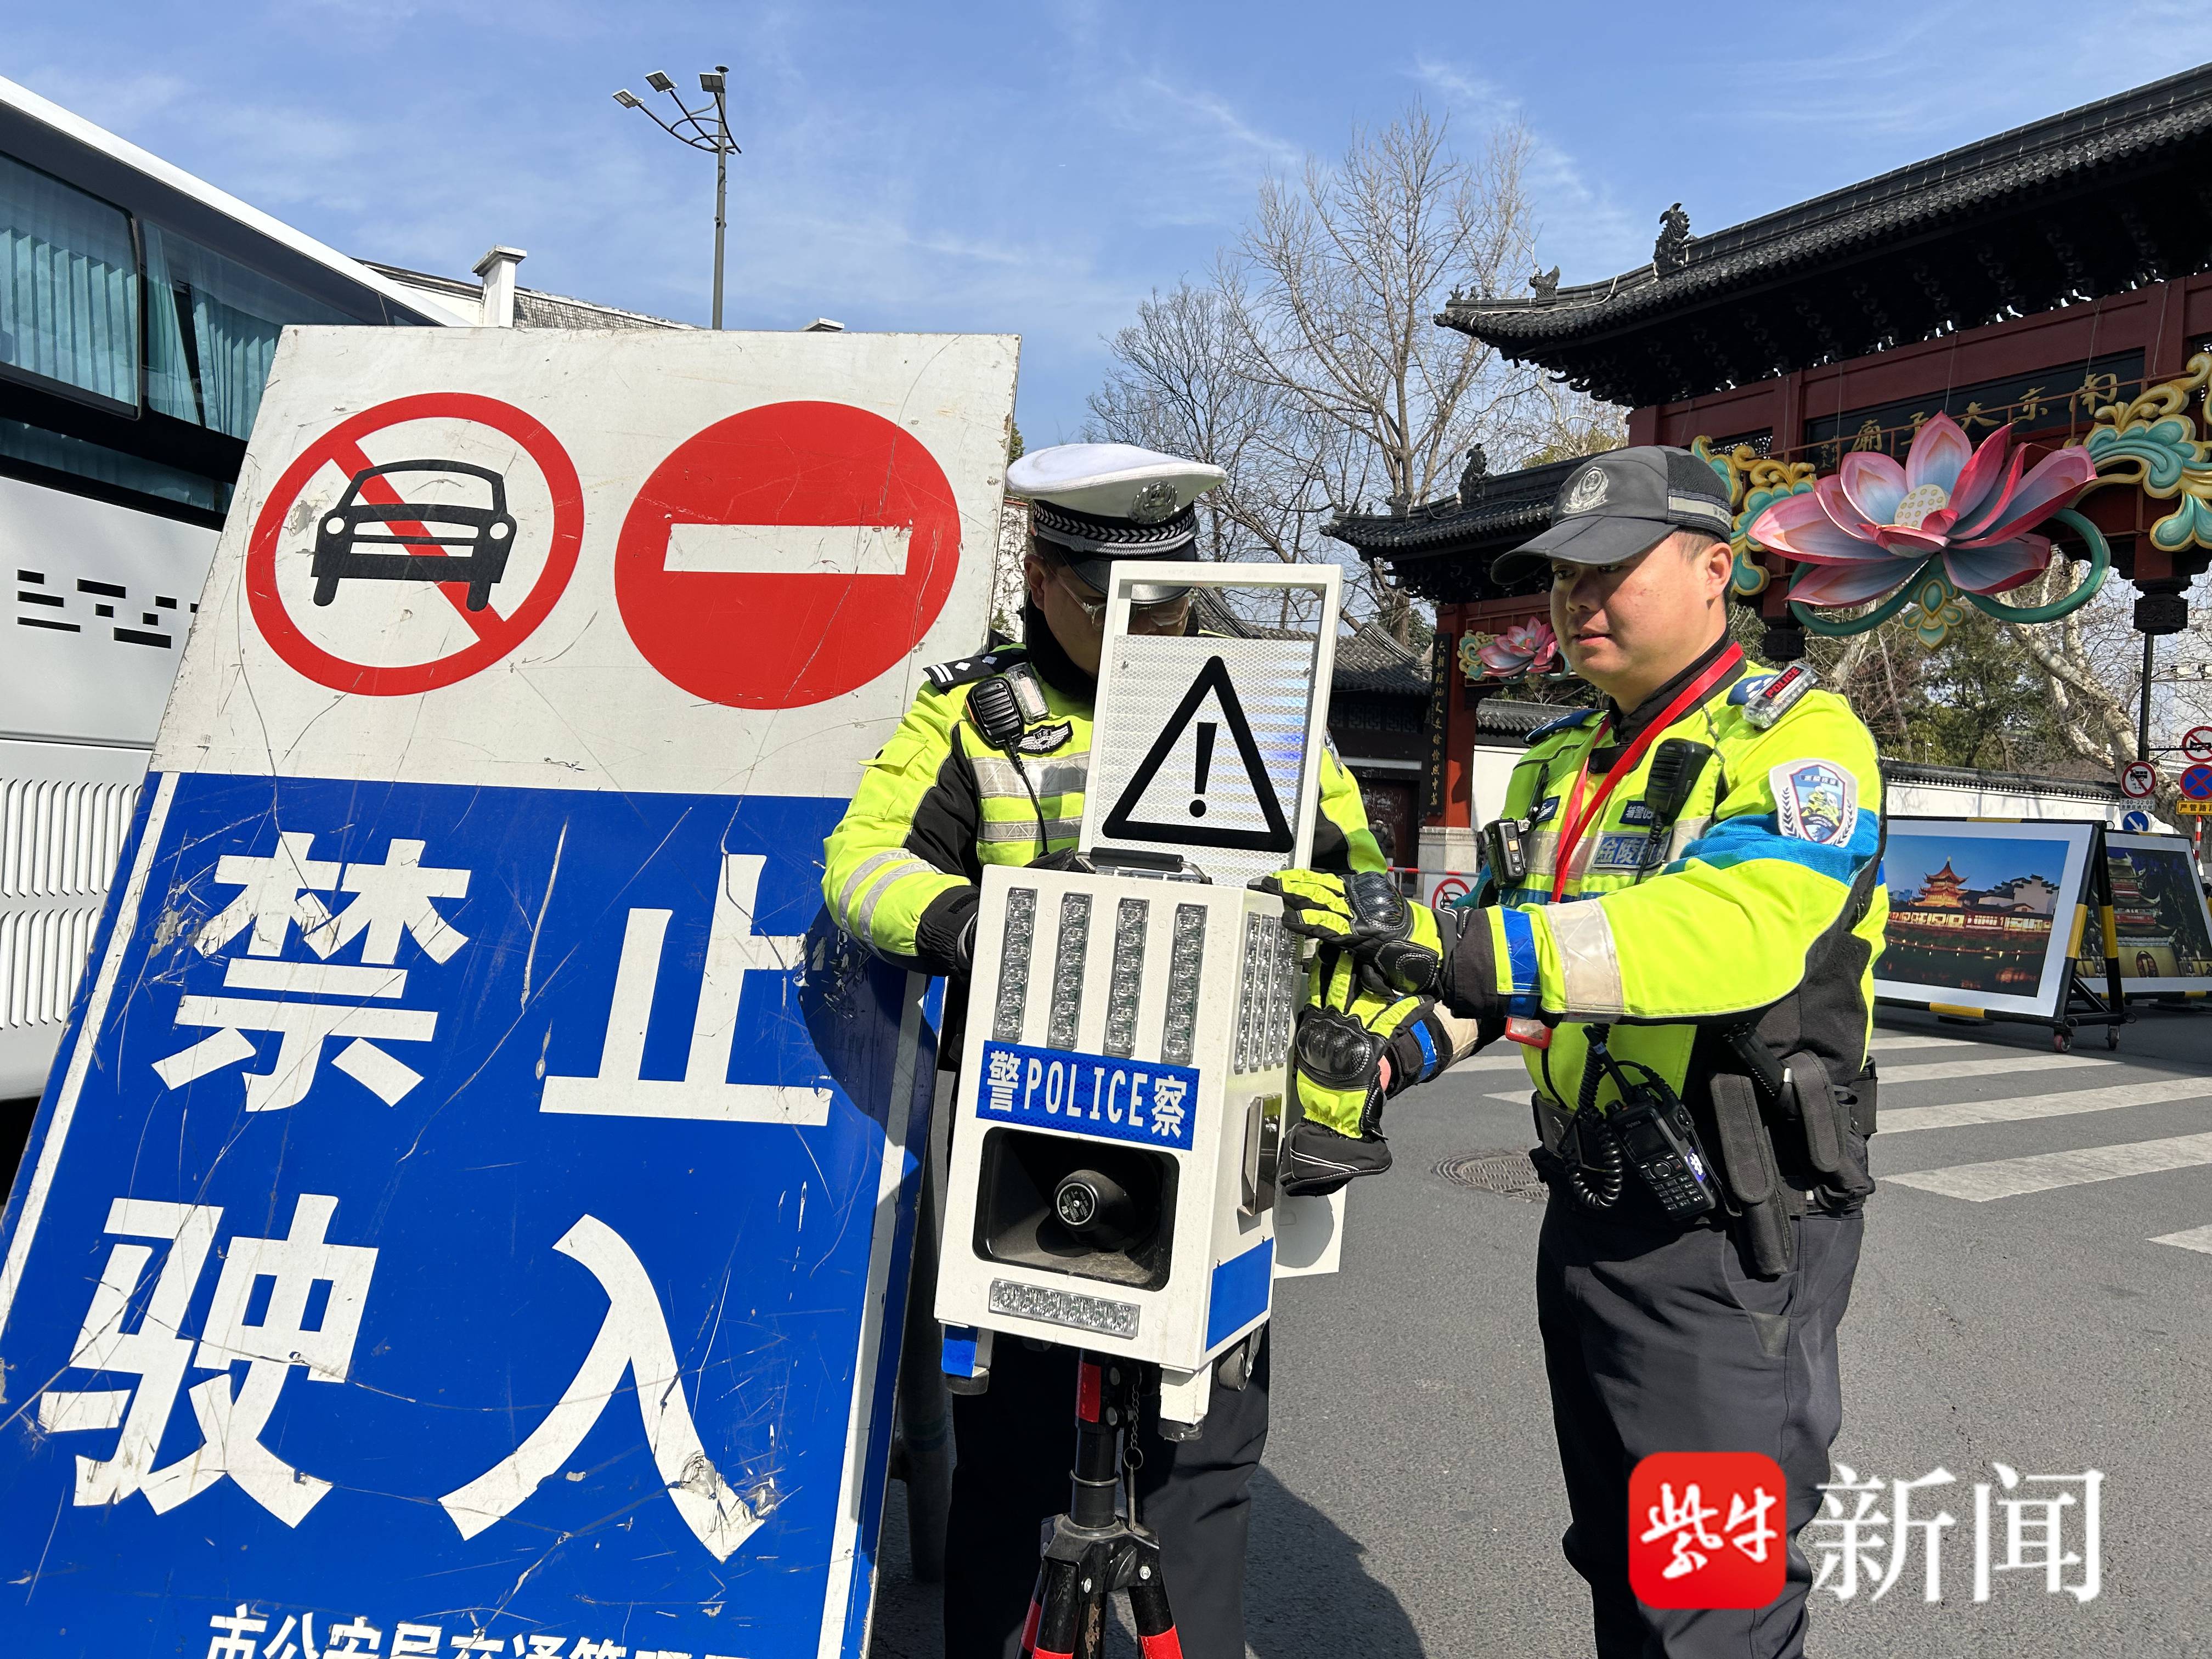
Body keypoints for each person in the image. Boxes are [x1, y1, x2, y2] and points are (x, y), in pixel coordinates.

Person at [1261, 446, 1885, 1659]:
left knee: (1711, 1597)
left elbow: (1734, 932)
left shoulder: (1798, 739)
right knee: (1617, 1553)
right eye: (1560, 577)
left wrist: (1460, 950)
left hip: (1734, 1228)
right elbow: (1499, 970)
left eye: (1612, 569)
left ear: (1715, 569)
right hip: (1593, 1204)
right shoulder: (1560, 759)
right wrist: (1389, 1057)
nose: (1577, 599)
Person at [821, 442, 1386, 1659]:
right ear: (1042, 576)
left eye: (1172, 598)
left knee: (1204, 1460)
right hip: (1032, 1140)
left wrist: (1335, 1047)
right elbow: (861, 864)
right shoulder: (972, 714)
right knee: (1016, 1457)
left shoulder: (1267, 704)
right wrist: (978, 924)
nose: (1149, 623)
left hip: (1218, 1145)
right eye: (1111, 597)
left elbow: (1363, 896)